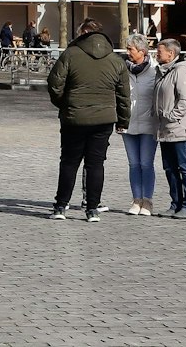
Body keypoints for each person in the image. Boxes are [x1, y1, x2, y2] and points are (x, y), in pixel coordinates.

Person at [46, 18, 131, 221]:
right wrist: (123, 121)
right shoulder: (116, 60)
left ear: (82, 33)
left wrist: (65, 104)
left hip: (74, 117)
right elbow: (124, 95)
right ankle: (92, 209)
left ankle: (60, 206)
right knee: (95, 164)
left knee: (69, 162)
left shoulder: (70, 55)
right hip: (104, 119)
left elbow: (54, 84)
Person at [155, 38, 186, 219]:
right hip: (166, 129)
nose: (156, 54)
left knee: (185, 167)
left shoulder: (181, 72)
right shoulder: (164, 71)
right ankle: (176, 204)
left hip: (180, 129)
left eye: (159, 52)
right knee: (170, 168)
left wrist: (170, 117)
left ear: (171, 53)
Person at [122, 37, 160, 216]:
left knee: (146, 163)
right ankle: (136, 199)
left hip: (148, 123)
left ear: (142, 51)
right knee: (133, 164)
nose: (127, 52)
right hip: (128, 123)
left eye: (131, 49)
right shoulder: (123, 69)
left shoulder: (154, 70)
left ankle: (148, 200)